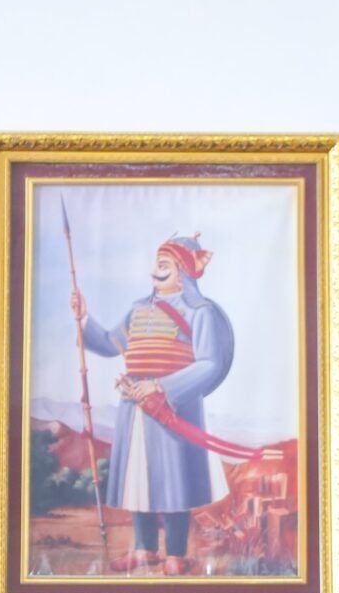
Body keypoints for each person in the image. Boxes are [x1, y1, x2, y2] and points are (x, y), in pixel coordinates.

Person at [71, 234, 233, 575]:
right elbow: (109, 343)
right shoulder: (138, 309)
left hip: (173, 405)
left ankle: (175, 553)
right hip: (135, 406)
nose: (154, 272)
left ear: (183, 271)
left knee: (176, 480)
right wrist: (85, 318)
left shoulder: (200, 313)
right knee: (138, 477)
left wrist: (161, 386)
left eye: (164, 265)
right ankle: (143, 550)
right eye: (155, 265)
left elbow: (210, 364)